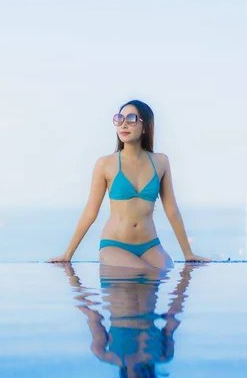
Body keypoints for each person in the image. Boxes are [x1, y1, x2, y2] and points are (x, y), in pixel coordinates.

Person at [48, 100, 210, 268]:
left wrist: (188, 254)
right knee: (144, 271)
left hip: (150, 245)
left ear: (145, 127)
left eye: (131, 119)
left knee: (167, 269)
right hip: (114, 245)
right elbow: (90, 212)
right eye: (120, 119)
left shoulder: (161, 162)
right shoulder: (105, 164)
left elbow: (172, 210)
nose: (123, 124)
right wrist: (68, 254)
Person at [59, 262, 204, 377]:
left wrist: (69, 272)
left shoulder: (105, 354)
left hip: (122, 279)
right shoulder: (163, 356)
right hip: (136, 281)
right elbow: (173, 318)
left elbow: (93, 316)